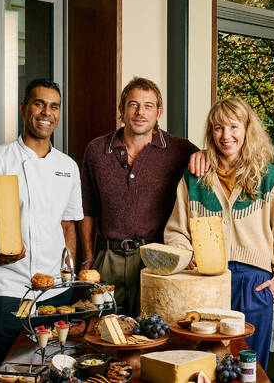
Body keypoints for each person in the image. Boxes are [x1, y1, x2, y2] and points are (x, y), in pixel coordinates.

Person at [0, 79, 82, 382]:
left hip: (55, 292)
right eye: (39, 103)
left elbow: (68, 225)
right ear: (24, 108)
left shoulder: (68, 166)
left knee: (54, 371)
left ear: (59, 114)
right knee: (6, 373)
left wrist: (70, 275)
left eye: (54, 106)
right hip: (5, 290)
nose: (46, 112)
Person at [164, 96, 274, 370]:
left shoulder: (269, 176)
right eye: (218, 128)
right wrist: (186, 253)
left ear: (247, 130)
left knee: (251, 365)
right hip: (207, 282)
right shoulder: (195, 176)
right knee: (207, 362)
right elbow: (176, 230)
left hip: (254, 283)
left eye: (234, 127)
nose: (226, 136)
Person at [79, 77, 198, 316]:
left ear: (159, 112)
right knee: (102, 332)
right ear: (121, 110)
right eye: (133, 104)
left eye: (148, 105)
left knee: (151, 333)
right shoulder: (97, 150)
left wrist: (204, 155)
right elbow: (87, 210)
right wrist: (89, 260)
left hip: (157, 259)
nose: (140, 112)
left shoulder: (182, 150)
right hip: (108, 259)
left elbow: (202, 197)